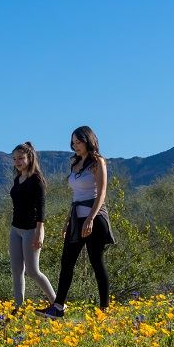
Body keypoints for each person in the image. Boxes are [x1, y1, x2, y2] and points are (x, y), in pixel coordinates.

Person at [36, 126, 115, 319]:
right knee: (67, 262)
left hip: (94, 218)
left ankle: (104, 308)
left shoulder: (98, 162)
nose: (75, 145)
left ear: (88, 141)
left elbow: (102, 193)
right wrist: (67, 222)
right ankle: (58, 307)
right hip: (76, 218)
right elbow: (76, 196)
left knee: (97, 262)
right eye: (73, 142)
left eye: (78, 141)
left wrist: (90, 219)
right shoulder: (76, 163)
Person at [9, 142, 56, 311]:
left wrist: (39, 231)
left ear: (30, 157)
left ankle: (57, 304)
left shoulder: (36, 179)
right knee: (16, 270)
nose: (17, 161)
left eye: (21, 158)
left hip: (31, 229)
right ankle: (18, 308)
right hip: (15, 229)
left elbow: (41, 206)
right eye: (14, 158)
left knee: (33, 271)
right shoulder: (17, 178)